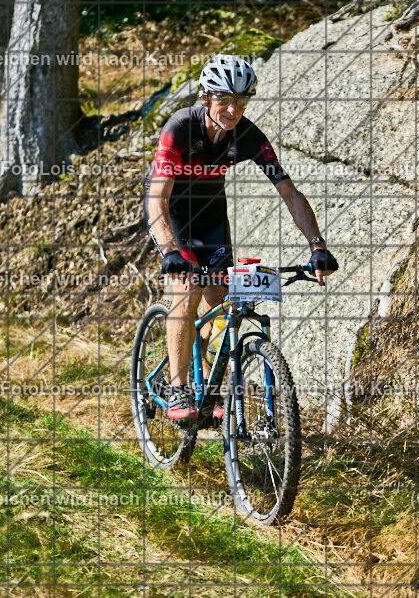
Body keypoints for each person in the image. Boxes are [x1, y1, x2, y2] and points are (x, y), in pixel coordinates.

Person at [143, 53, 339, 422]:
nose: (233, 109)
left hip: (211, 213)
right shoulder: (181, 127)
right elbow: (158, 196)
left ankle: (206, 380)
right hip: (172, 211)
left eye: (241, 102)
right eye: (225, 100)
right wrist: (171, 250)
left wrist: (318, 246)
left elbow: (290, 193)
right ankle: (179, 385)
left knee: (221, 304)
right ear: (206, 98)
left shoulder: (248, 135)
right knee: (187, 289)